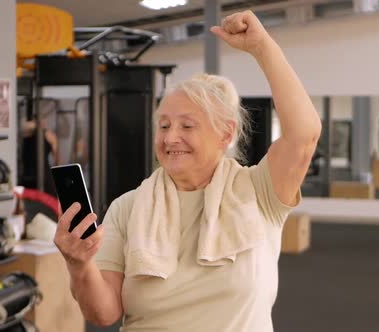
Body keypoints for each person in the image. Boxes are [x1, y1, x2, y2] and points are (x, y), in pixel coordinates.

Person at [54, 10, 321, 332]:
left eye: (187, 125)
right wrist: (79, 264)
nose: (170, 137)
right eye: (163, 125)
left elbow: (304, 135)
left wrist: (262, 47)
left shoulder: (259, 191)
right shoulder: (128, 207)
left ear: (225, 133)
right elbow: (104, 313)